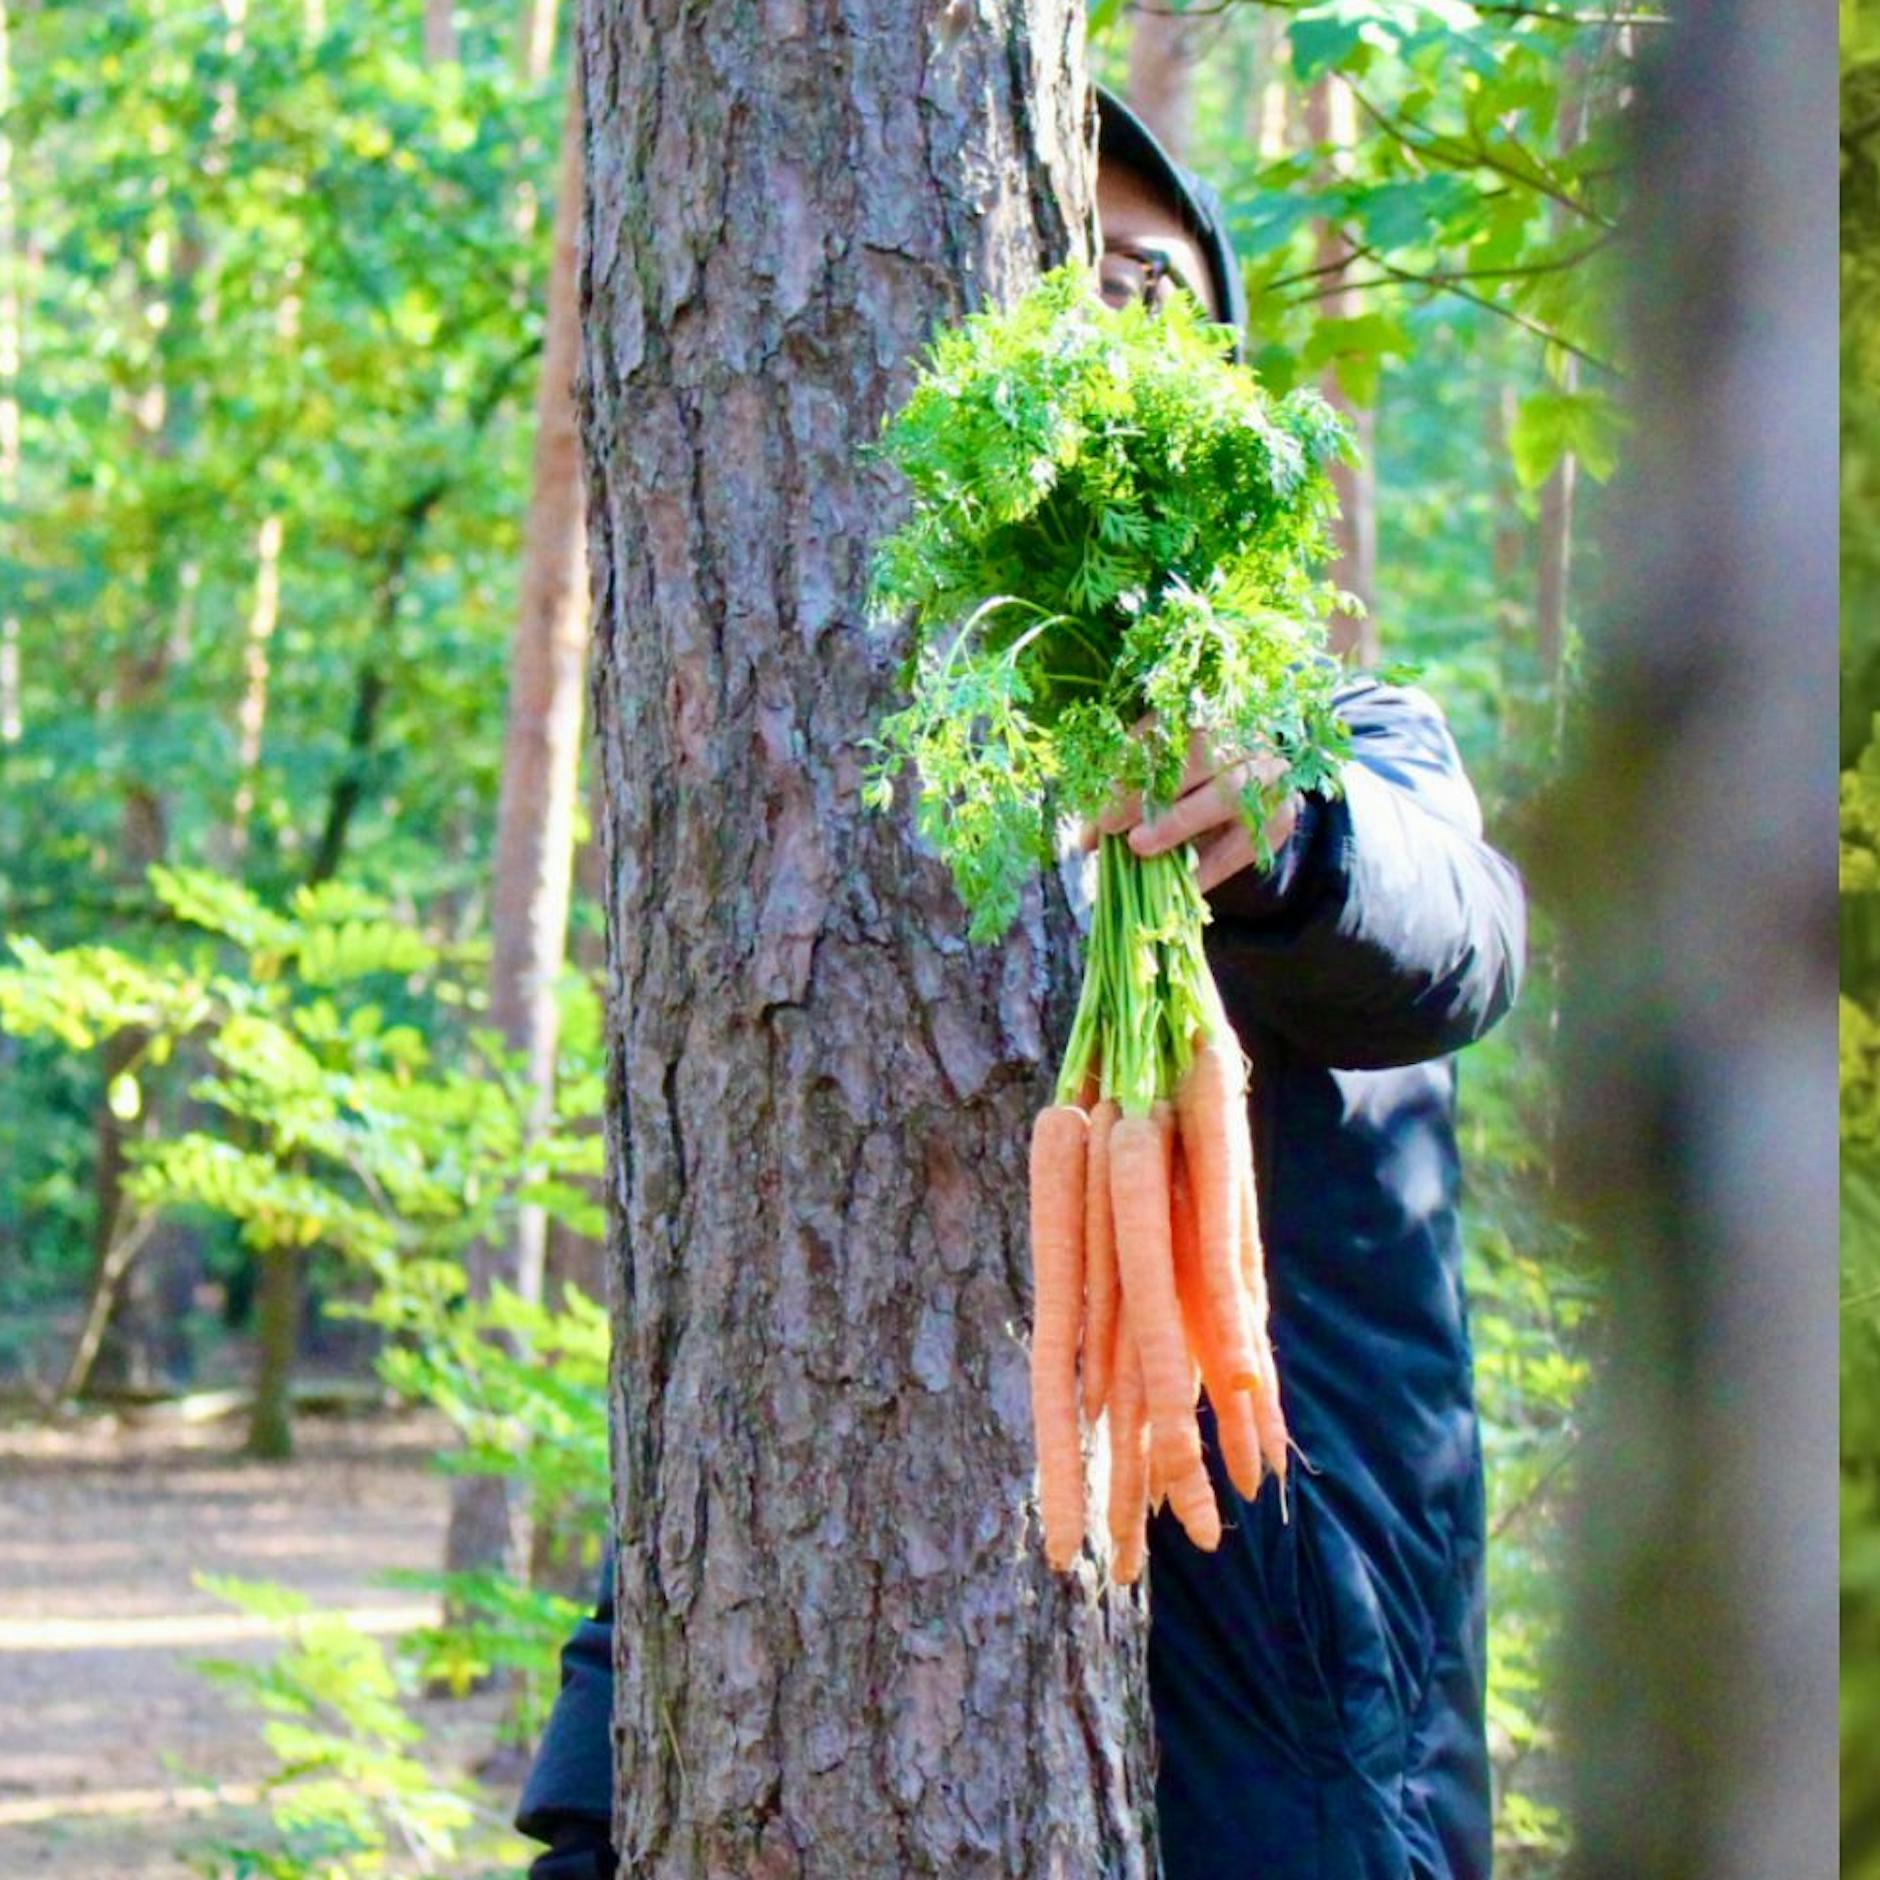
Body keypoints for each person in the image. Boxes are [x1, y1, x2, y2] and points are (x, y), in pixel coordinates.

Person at [515, 86, 1526, 1880]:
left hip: (1297, 1755)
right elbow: (742, 1340)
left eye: (1143, 282)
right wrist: (598, 1802)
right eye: (1049, 271)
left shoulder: (1348, 746)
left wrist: (1284, 832)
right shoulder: (864, 822)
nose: (1096, 323)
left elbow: (1460, 941)